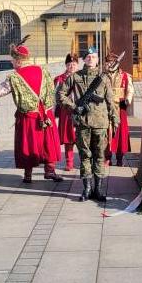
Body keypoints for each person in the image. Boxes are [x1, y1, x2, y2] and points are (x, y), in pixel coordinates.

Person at [0, 38, 62, 184]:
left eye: (13, 60)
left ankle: (28, 175)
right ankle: (50, 170)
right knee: (47, 142)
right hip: (46, 114)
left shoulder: (15, 77)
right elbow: (51, 90)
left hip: (28, 116)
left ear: (18, 60)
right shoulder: (43, 71)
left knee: (28, 143)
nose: (12, 63)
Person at [57, 47, 119, 203]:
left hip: (100, 122)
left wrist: (115, 119)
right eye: (88, 57)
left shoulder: (104, 78)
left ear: (97, 60)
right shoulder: (75, 77)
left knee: (99, 156)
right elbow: (60, 94)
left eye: (94, 57)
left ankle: (98, 189)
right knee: (85, 156)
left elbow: (110, 100)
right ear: (83, 60)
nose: (91, 59)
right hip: (83, 123)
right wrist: (73, 107)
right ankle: (87, 189)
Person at [103, 49, 133, 166]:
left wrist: (127, 99)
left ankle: (120, 158)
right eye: (108, 62)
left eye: (112, 61)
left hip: (120, 107)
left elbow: (130, 90)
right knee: (106, 132)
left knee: (120, 133)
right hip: (106, 107)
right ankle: (107, 157)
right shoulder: (103, 76)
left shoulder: (125, 76)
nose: (110, 63)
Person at [53, 53, 80, 171]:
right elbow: (54, 97)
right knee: (68, 138)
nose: (71, 66)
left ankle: (85, 162)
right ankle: (69, 163)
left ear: (77, 65)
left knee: (83, 137)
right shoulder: (59, 79)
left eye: (74, 64)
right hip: (66, 112)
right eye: (69, 64)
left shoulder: (82, 77)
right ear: (66, 65)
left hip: (81, 111)